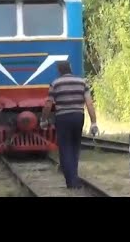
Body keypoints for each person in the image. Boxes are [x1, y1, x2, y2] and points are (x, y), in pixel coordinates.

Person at [40, 60, 99, 189]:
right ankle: (73, 180)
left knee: (65, 149)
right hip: (78, 117)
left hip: (62, 118)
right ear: (70, 68)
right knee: (75, 148)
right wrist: (94, 123)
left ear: (59, 70)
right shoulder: (82, 82)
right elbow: (89, 103)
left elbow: (48, 104)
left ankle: (71, 181)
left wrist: (43, 120)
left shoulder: (55, 84)